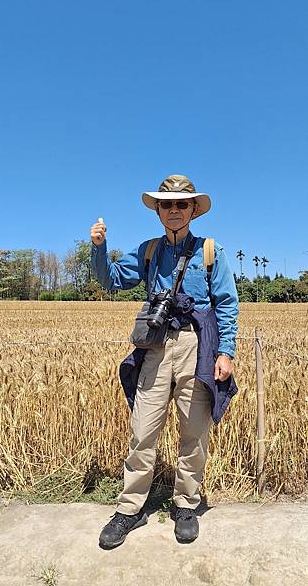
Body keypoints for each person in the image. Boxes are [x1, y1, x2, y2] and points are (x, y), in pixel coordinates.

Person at [90, 174, 239, 548]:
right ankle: (130, 509)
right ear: (158, 210)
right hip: (156, 345)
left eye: (181, 204)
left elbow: (227, 303)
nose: (174, 210)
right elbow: (110, 281)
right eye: (166, 204)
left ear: (192, 210)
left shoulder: (210, 250)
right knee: (143, 431)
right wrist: (99, 247)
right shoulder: (149, 250)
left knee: (194, 431)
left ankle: (186, 505)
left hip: (196, 345)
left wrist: (226, 351)